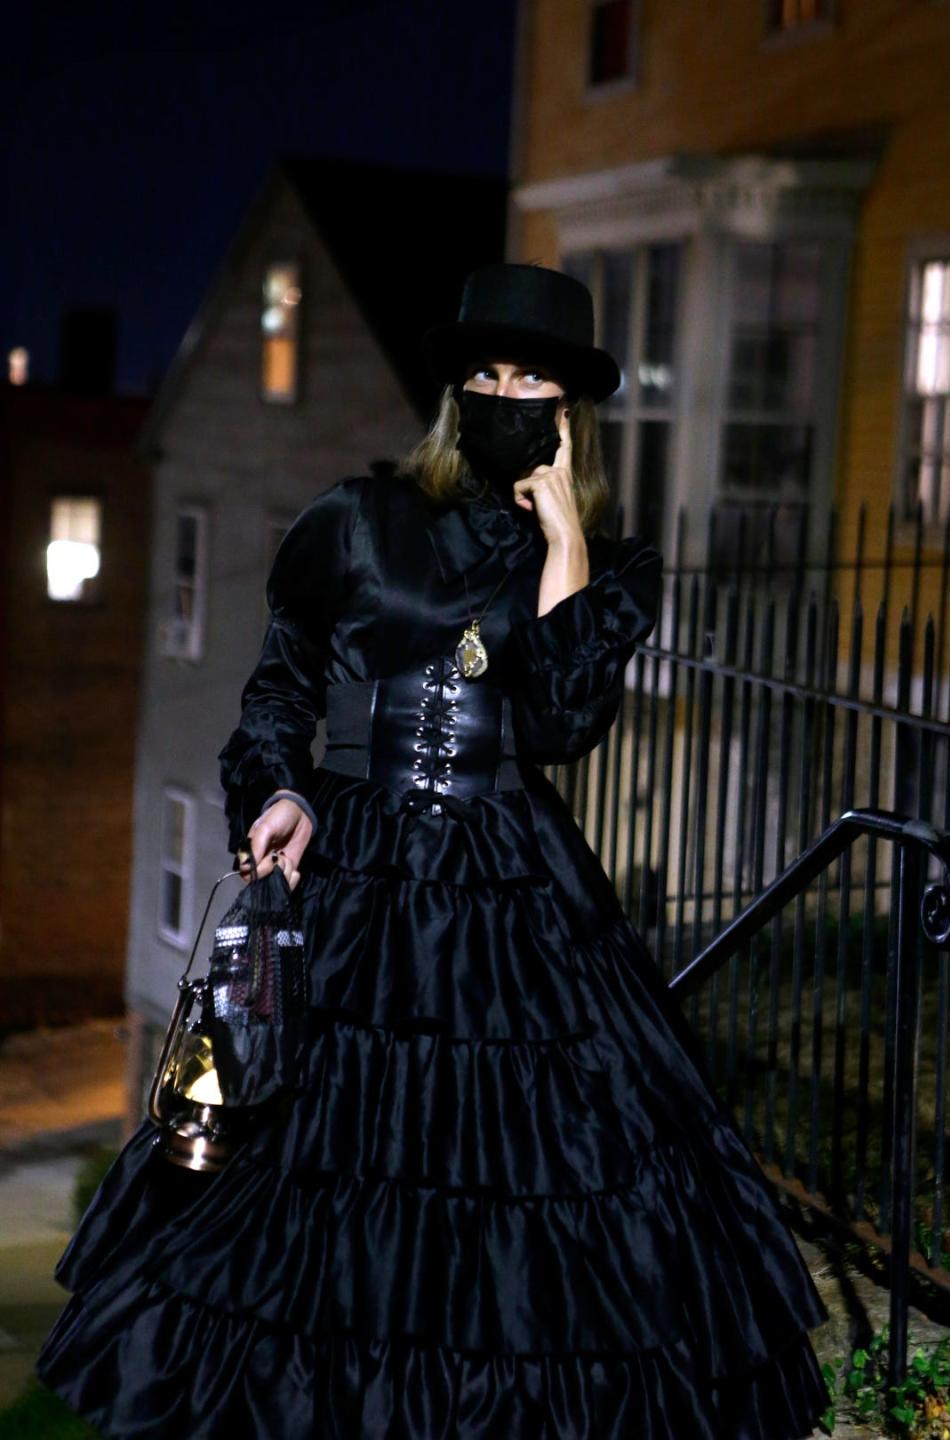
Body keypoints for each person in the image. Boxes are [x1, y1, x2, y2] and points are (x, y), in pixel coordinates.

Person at [36, 263, 830, 1437]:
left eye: (534, 378)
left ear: (571, 409)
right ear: (460, 390)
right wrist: (279, 795)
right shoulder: (358, 522)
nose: (507, 394)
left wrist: (563, 539)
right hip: (355, 865)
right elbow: (278, 693)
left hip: (510, 888)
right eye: (489, 373)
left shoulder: (605, 572)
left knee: (528, 1181)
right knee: (315, 1184)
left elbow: (562, 725)